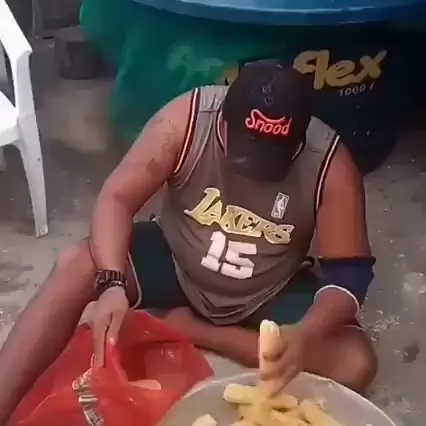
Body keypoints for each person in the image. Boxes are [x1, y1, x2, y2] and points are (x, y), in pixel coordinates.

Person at [0, 59, 377, 422]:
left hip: (268, 287)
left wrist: (305, 335)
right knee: (76, 264)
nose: (251, 170)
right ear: (222, 122)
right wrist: (112, 282)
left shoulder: (329, 163)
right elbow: (117, 197)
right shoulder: (185, 120)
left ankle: (198, 330)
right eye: (244, 152)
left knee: (354, 362)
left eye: (269, 158)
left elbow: (349, 273)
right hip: (176, 258)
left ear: (298, 142)